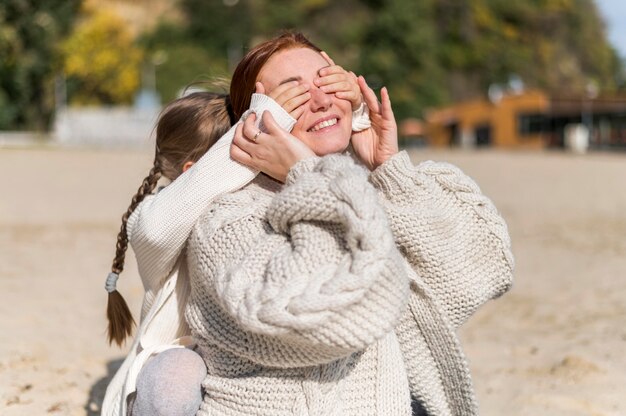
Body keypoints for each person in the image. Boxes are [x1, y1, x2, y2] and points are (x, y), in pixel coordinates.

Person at [183, 32, 514, 416]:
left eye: (328, 81)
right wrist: (308, 174)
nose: (322, 100)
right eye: (294, 96)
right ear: (254, 122)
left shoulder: (358, 190)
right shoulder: (226, 222)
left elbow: (484, 265)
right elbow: (344, 311)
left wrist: (387, 168)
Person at [101, 78, 370, 414]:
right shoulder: (158, 215)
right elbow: (164, 224)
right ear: (195, 172)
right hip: (193, 367)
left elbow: (324, 177)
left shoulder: (262, 205)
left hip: (248, 369)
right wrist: (264, 117)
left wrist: (356, 113)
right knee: (177, 373)